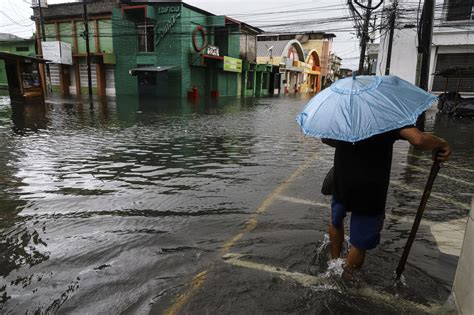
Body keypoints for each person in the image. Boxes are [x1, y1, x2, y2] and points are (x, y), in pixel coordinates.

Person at [323, 125, 451, 275]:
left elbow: (326, 138)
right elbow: (418, 139)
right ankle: (346, 279)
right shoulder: (388, 113)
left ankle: (334, 264)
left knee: (336, 221)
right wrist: (442, 143)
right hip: (371, 188)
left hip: (342, 179)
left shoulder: (344, 112)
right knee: (360, 242)